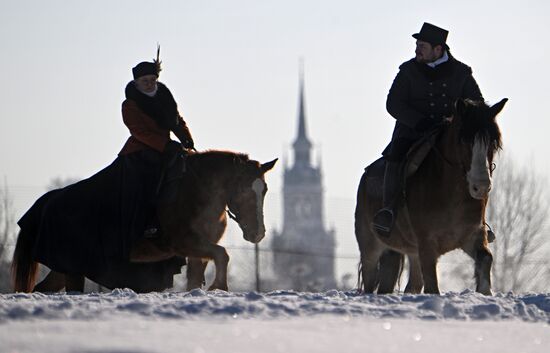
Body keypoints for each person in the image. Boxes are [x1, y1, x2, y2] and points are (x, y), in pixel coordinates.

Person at [372, 22, 484, 237]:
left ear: (438, 49)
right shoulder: (407, 71)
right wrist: (419, 122)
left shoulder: (461, 73)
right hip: (413, 132)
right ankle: (388, 210)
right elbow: (393, 104)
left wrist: (457, 119)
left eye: (421, 46)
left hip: (449, 134)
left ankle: (480, 221)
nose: (416, 50)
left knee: (475, 161)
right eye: (417, 45)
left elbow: (477, 103)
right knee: (395, 157)